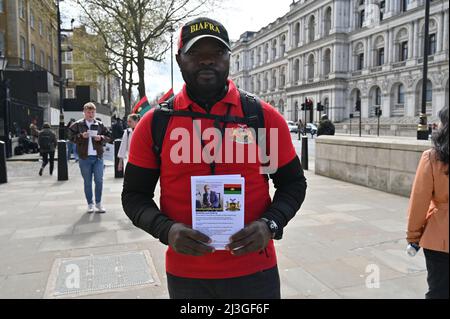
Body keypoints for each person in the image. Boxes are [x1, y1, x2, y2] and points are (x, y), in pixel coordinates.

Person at [122, 17, 307, 299]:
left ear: (229, 59)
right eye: (195, 53)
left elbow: (293, 184)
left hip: (255, 272)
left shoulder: (261, 118)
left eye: (217, 53)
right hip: (187, 276)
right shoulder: (155, 124)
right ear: (179, 59)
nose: (207, 61)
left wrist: (270, 224)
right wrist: (166, 231)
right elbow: (134, 196)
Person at [407, 106, 449, 299]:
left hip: (440, 238)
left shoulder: (432, 157)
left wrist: (413, 237)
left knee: (439, 290)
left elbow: (419, 202)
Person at [70, 102, 112, 214]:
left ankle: (98, 203)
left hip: (98, 157)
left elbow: (109, 136)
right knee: (87, 182)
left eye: (93, 112)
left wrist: (101, 137)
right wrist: (80, 136)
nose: (91, 114)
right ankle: (90, 204)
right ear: (84, 112)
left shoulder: (100, 124)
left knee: (99, 180)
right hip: (84, 158)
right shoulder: (77, 125)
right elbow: (70, 137)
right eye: (88, 112)